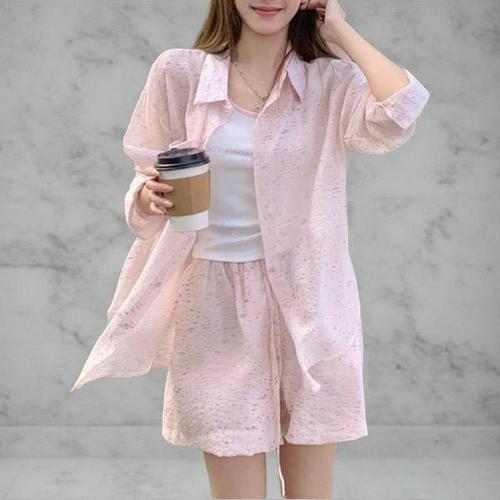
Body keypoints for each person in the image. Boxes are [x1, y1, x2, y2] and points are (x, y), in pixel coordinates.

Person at [71, 0, 430, 498]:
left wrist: (340, 30)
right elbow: (146, 171)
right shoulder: (180, 72)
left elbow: (400, 111)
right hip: (214, 304)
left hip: (310, 302)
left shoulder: (330, 81)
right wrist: (146, 196)